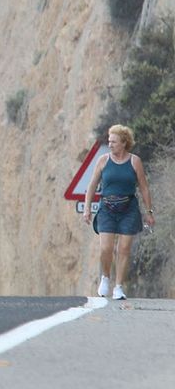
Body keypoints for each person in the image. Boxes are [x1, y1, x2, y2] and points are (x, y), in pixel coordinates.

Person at [82, 124, 154, 301]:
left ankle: (119, 287)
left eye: (113, 141)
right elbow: (91, 186)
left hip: (129, 209)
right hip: (106, 209)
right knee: (106, 248)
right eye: (109, 141)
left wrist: (149, 211)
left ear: (124, 142)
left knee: (124, 248)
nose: (110, 144)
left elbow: (144, 187)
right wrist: (87, 208)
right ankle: (105, 277)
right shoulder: (103, 160)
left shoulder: (135, 161)